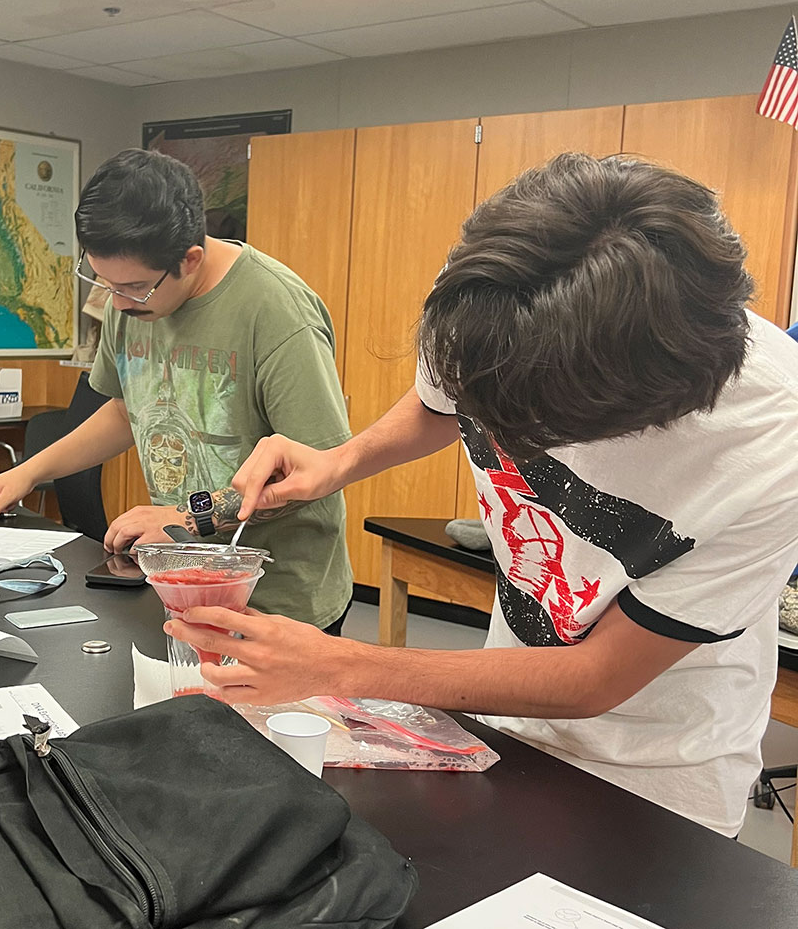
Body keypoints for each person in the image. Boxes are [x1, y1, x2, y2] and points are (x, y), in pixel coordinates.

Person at [166, 153, 798, 837]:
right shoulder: (494, 292)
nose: (488, 434)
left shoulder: (772, 444)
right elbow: (443, 402)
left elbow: (598, 677)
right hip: (500, 728)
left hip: (654, 780)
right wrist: (337, 462)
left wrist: (344, 666)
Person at [0, 149, 354, 632]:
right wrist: (28, 473)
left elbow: (321, 469)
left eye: (133, 287)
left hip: (279, 600)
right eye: (102, 281)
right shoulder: (128, 294)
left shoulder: (278, 313)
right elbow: (123, 410)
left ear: (190, 260)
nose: (116, 301)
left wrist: (185, 520)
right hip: (179, 583)